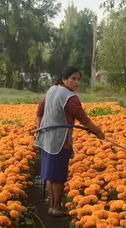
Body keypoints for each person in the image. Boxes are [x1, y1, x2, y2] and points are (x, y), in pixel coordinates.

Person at [35, 66, 105, 217]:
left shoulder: (52, 90)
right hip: (60, 141)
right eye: (73, 79)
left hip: (46, 139)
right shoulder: (70, 98)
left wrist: (40, 128)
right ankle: (56, 208)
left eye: (78, 79)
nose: (77, 82)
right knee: (58, 177)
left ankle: (52, 206)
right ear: (64, 79)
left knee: (50, 175)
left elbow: (39, 111)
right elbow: (84, 120)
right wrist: (98, 132)